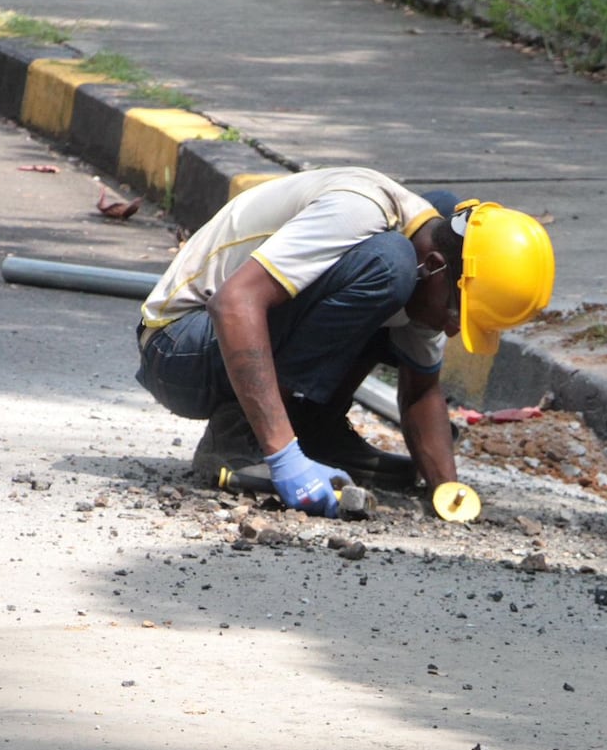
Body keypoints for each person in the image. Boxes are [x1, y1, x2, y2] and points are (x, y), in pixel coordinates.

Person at [134, 166, 555, 518]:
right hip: (177, 346)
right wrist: (284, 460)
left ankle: (316, 430)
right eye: (454, 316)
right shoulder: (361, 214)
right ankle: (238, 438)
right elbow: (234, 303)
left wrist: (448, 490)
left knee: (391, 282)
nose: (450, 330)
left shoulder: (431, 253)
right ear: (436, 266)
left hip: (218, 344)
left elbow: (421, 390)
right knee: (387, 269)